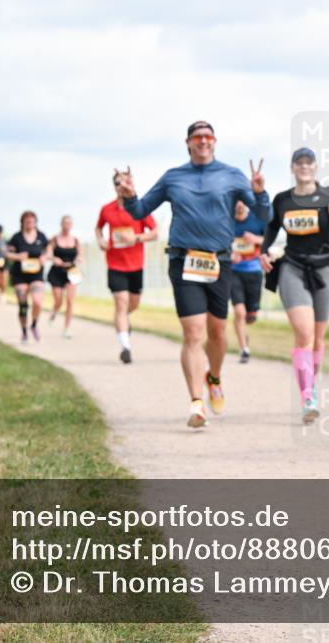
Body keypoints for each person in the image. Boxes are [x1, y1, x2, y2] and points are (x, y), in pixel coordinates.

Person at [119, 120, 271, 429]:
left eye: (208, 137)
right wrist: (130, 196)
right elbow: (140, 211)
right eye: (197, 137)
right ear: (188, 143)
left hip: (219, 262)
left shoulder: (231, 175)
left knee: (217, 332)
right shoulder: (173, 177)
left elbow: (263, 215)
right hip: (183, 260)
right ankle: (196, 402)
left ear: (214, 142)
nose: (203, 141)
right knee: (193, 333)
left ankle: (213, 377)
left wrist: (260, 192)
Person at [260, 147, 329, 425]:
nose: (304, 166)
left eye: (309, 162)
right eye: (299, 162)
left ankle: (311, 383)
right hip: (292, 268)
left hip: (323, 270)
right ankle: (308, 396)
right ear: (292, 167)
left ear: (315, 167)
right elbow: (271, 228)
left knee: (318, 339)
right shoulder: (282, 199)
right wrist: (263, 251)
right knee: (304, 334)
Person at [96, 167, 159, 363]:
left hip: (135, 264)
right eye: (118, 183)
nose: (121, 186)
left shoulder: (140, 209)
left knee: (132, 304)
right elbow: (98, 228)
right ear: (114, 186)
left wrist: (136, 238)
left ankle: (122, 320)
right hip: (115, 264)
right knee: (121, 303)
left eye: (125, 182)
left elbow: (155, 233)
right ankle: (125, 346)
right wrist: (101, 240)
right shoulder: (107, 209)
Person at [230, 200, 266, 364]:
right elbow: (219, 241)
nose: (239, 204)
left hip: (254, 271)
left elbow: (269, 239)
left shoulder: (257, 219)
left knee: (250, 316)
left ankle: (243, 331)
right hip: (233, 271)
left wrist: (256, 239)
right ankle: (244, 349)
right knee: (239, 312)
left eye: (241, 199)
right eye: (235, 200)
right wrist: (230, 253)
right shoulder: (227, 221)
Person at [6, 211, 49, 343]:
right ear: (22, 223)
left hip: (36, 274)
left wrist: (44, 257)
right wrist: (18, 256)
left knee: (38, 302)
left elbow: (48, 251)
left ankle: (34, 325)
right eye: (27, 221)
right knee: (23, 305)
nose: (30, 223)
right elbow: (7, 253)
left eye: (32, 221)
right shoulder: (17, 237)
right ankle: (24, 331)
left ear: (35, 222)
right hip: (20, 275)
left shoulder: (41, 236)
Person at [46, 215, 81, 339]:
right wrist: (54, 258)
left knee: (70, 301)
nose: (67, 226)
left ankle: (66, 329)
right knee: (58, 300)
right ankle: (54, 312)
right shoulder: (54, 239)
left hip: (72, 271)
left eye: (69, 223)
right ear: (61, 224)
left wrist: (79, 259)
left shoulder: (75, 240)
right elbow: (48, 254)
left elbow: (80, 255)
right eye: (65, 223)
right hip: (57, 272)